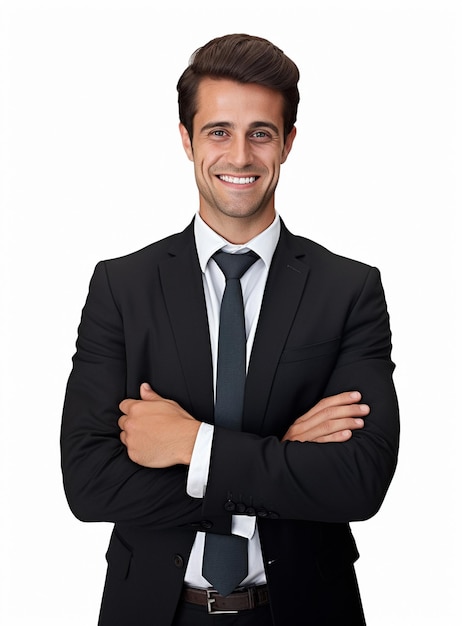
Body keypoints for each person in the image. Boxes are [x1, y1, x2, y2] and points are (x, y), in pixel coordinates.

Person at [61, 33, 399, 626]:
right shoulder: (122, 287)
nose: (240, 156)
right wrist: (282, 459)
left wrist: (193, 448)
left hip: (304, 611)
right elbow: (88, 484)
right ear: (187, 139)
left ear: (288, 143)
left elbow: (359, 482)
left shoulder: (349, 291)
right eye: (219, 131)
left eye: (260, 133)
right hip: (154, 613)